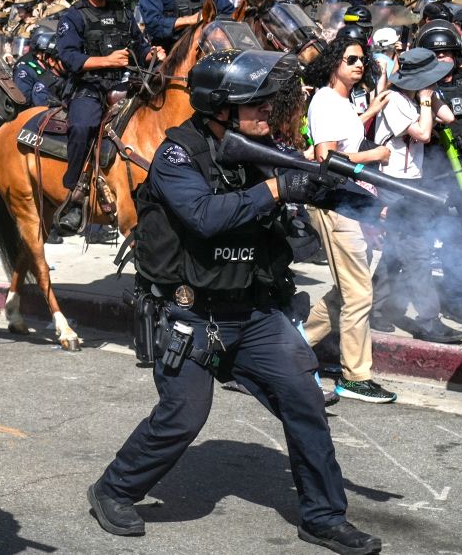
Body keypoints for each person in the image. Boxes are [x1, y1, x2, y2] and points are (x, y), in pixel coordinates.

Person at [89, 48, 382, 555]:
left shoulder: (261, 150)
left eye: (273, 103)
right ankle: (114, 489)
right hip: (188, 313)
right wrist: (276, 190)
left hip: (253, 310)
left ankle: (323, 517)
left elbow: (312, 192)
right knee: (183, 416)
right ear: (220, 107)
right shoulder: (179, 154)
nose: (270, 112)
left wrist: (371, 202)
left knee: (305, 400)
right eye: (259, 104)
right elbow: (203, 216)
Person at [303, 35, 396, 402]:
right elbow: (327, 157)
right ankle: (355, 377)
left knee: (348, 289)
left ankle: (296, 341)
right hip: (333, 203)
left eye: (362, 59)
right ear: (333, 64)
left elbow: (342, 139)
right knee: (359, 291)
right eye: (351, 59)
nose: (359, 64)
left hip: (346, 201)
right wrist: (377, 155)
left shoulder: (342, 101)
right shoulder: (325, 101)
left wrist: (369, 113)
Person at [56, 0, 163, 234]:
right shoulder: (73, 17)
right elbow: (68, 58)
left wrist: (152, 52)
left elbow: (139, 46)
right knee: (82, 126)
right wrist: (106, 61)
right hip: (89, 86)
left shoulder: (123, 11)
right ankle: (75, 193)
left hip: (124, 83)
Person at [370, 47, 462, 344]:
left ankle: (371, 306)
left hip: (411, 184)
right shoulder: (394, 101)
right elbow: (424, 134)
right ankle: (429, 321)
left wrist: (431, 94)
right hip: (393, 186)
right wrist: (425, 99)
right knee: (417, 252)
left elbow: (449, 117)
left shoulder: (415, 97)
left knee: (397, 252)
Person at [412, 22, 462, 326]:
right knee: (423, 238)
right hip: (434, 177)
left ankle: (455, 285)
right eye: (436, 54)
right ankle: (455, 298)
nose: (443, 59)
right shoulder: (417, 89)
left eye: (448, 53)